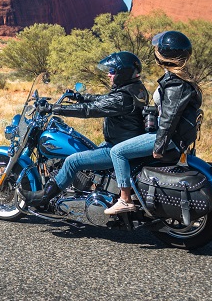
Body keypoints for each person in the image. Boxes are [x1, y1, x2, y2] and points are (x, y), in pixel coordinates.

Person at [19, 51, 149, 209]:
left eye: (112, 71)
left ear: (123, 72)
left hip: (116, 146)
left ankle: (43, 198)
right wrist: (81, 97)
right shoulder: (134, 89)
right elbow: (102, 100)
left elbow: (89, 110)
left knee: (72, 161)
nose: (108, 74)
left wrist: (54, 108)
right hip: (122, 141)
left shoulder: (122, 98)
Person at [104, 30, 203, 215]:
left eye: (158, 50)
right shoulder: (178, 78)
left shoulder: (175, 83)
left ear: (163, 55)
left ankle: (124, 199)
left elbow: (170, 118)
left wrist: (159, 146)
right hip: (170, 134)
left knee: (117, 152)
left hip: (169, 137)